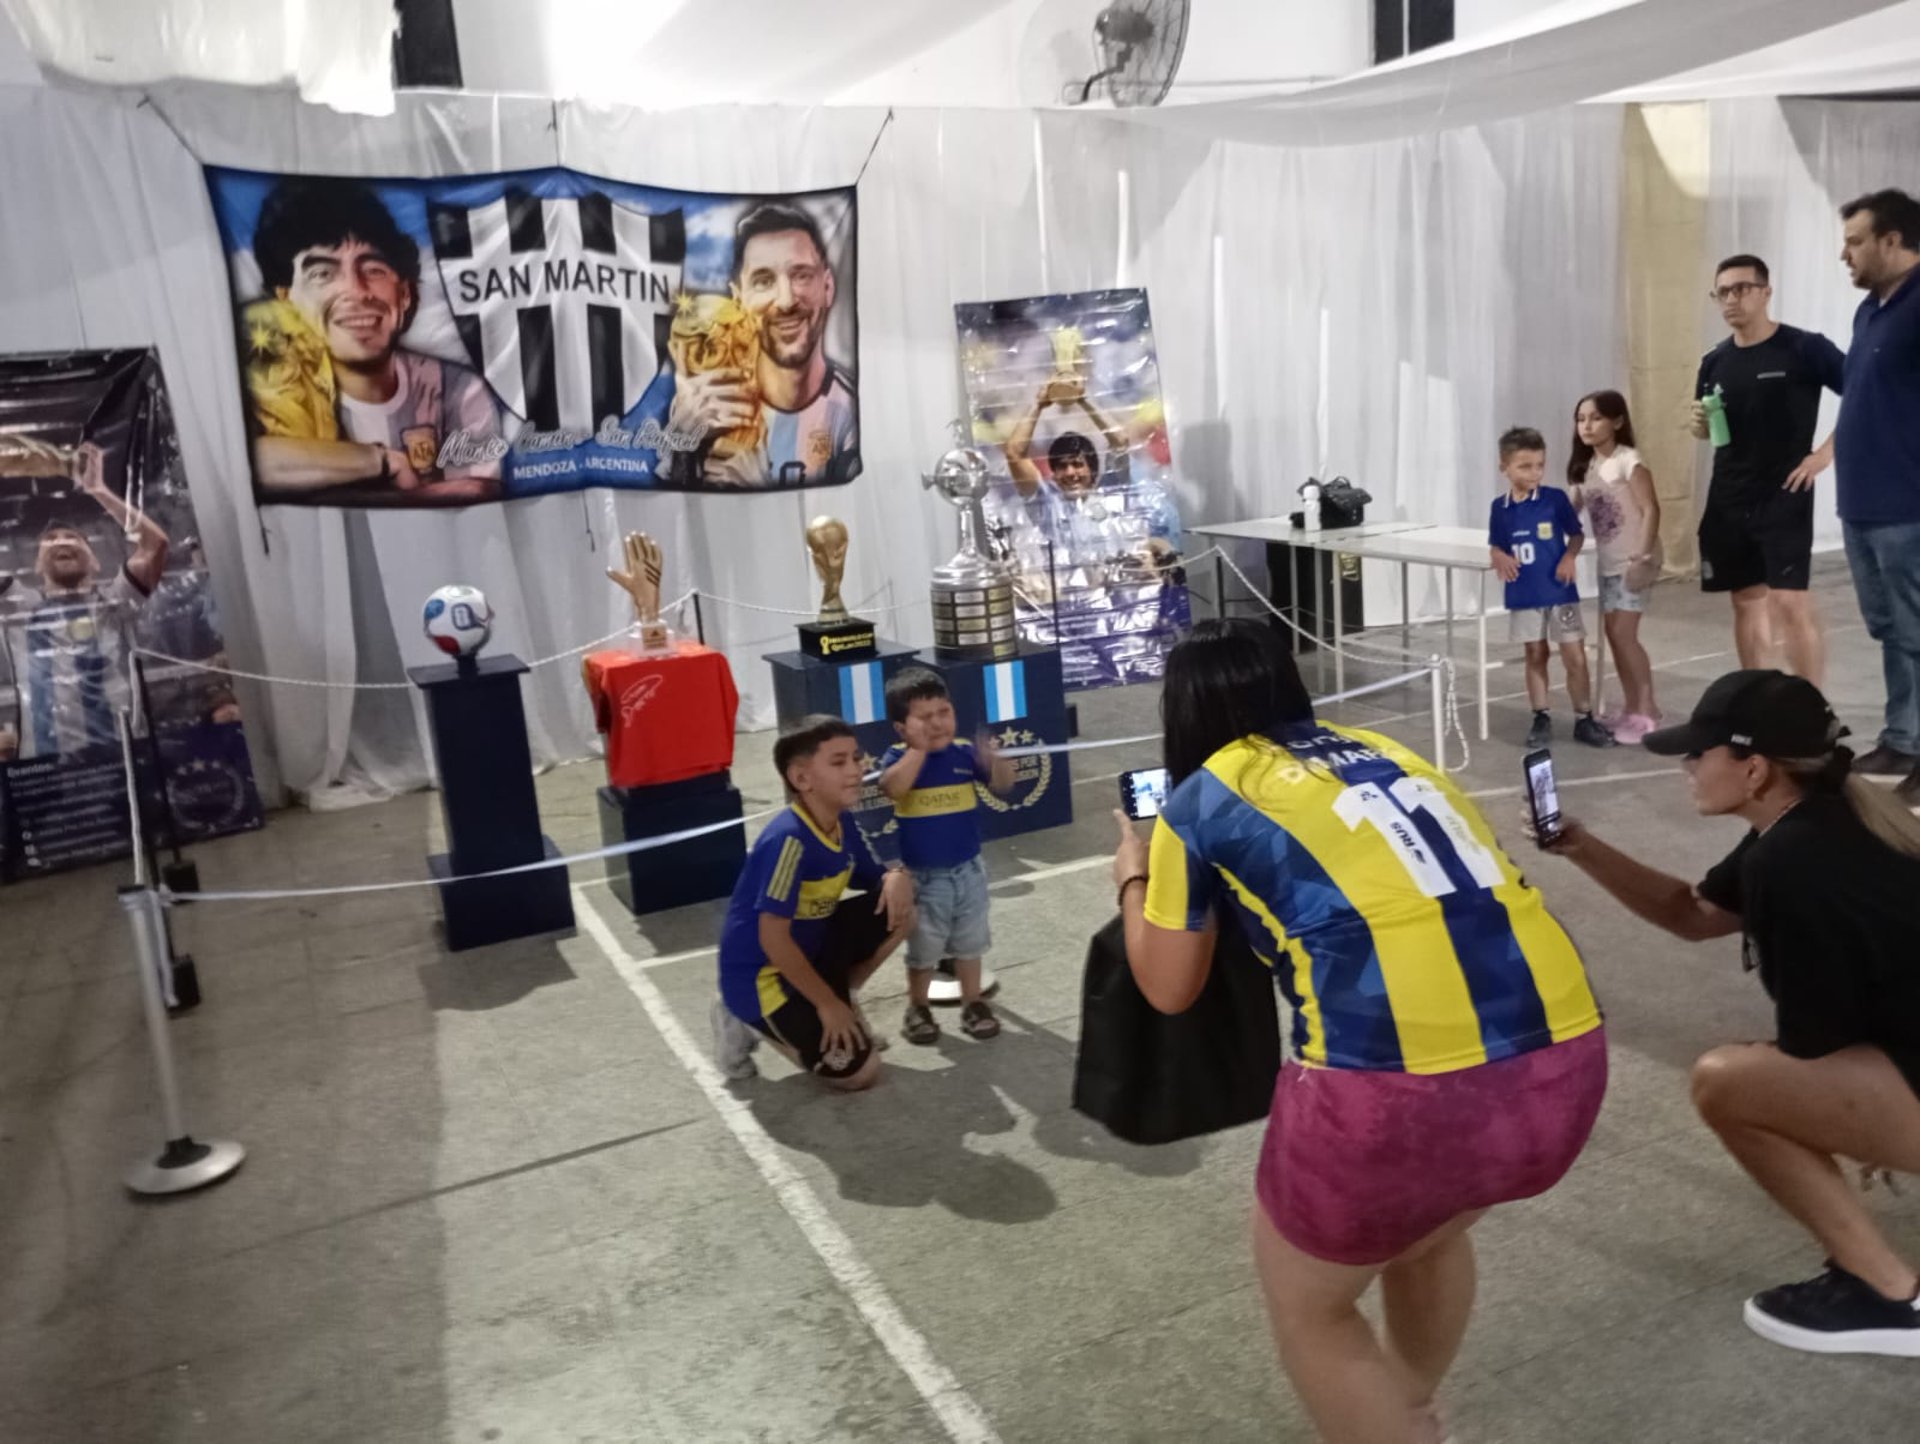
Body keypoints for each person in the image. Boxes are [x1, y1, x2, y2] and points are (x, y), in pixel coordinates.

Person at [1111, 619, 1606, 1444]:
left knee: (1311, 1309)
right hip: (1566, 1056)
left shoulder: (1196, 802)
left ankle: (1387, 1424)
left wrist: (1133, 877)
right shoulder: (1389, 750)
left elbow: (1167, 987)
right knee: (1429, 1235)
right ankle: (1406, 1406)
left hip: (1387, 1093)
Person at [1539, 670, 1920, 1356]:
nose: (1687, 765)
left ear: (1753, 770)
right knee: (1760, 1072)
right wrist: (1583, 846)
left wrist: (1848, 1110)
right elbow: (1695, 914)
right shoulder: (1822, 817)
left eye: (1700, 752)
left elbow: (1816, 1050)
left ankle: (1889, 1297)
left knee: (1729, 1083)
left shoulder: (1796, 862)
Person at [247, 177, 504, 504]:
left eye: (374, 269)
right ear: (285, 301)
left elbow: (477, 492)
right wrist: (383, 463)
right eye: (323, 273)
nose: (356, 291)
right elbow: (252, 464)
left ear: (405, 293)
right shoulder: (277, 395)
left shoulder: (455, 389)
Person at [710, 716, 915, 1090]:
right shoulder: (788, 840)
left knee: (902, 906)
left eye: (855, 758)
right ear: (802, 779)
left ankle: (844, 997)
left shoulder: (842, 820)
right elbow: (773, 939)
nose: (856, 770)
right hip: (764, 977)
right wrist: (826, 1006)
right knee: (859, 1074)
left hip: (813, 948)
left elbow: (876, 877)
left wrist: (896, 874)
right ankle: (740, 1018)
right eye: (838, 763)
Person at [1689, 254, 1845, 685]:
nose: (1731, 300)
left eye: (1741, 289)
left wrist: (1825, 454)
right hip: (1729, 496)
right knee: (1746, 600)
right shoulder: (1714, 360)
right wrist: (1699, 427)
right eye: (1722, 292)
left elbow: (1864, 393)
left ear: (1766, 292)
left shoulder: (1804, 348)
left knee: (1790, 602)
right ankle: (1759, 703)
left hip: (1784, 493)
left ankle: (1813, 712)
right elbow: (1710, 426)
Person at [669, 201, 858, 486]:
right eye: (763, 280)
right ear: (738, 298)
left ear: (828, 287)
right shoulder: (703, 403)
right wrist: (681, 447)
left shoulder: (849, 410)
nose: (785, 301)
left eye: (802, 275)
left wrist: (760, 483)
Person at [1832, 190, 1920, 797]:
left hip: (1909, 505)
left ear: (1892, 241)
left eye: (1856, 240)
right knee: (1891, 629)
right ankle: (1903, 739)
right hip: (1862, 503)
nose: (1845, 253)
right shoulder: (1870, 311)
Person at [0, 442, 168, 760]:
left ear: (96, 562)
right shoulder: (17, 605)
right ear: (36, 566)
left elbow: (155, 545)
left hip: (124, 758)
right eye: (49, 540)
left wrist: (99, 490)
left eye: (73, 538)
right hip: (44, 769)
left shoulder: (115, 601)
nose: (60, 541)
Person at [877, 668, 1016, 1045]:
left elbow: (1004, 784)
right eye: (924, 718)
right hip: (924, 877)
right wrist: (918, 751)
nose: (937, 723)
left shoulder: (963, 754)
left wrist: (995, 760)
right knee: (924, 946)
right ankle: (917, 1008)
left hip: (969, 871)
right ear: (901, 728)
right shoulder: (898, 757)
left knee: (970, 942)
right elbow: (892, 787)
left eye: (944, 712)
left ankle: (973, 1003)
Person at [1487, 426, 1613, 751]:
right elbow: (1497, 545)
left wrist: (1570, 557)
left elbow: (1576, 533)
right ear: (1505, 467)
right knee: (1535, 654)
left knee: (1574, 654)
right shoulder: (1499, 509)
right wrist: (1498, 555)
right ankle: (1540, 715)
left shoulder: (1554, 499)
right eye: (1525, 466)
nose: (1534, 473)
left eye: (1540, 465)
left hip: (1559, 591)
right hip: (1524, 593)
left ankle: (1584, 718)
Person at [1000, 369, 1180, 573]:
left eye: (1077, 464)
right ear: (1054, 474)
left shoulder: (1112, 490)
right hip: (1075, 599)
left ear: (1092, 469)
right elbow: (1014, 454)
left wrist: (1084, 399)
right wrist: (1038, 405)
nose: (1070, 472)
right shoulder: (1048, 507)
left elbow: (1120, 441)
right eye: (1062, 466)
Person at [1568, 391, 1662, 743]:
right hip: (1608, 564)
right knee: (1614, 636)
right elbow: (1570, 512)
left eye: (1595, 418)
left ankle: (1647, 709)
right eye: (1581, 419)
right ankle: (1633, 706)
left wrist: (1642, 557)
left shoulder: (1628, 461)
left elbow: (1651, 508)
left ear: (1617, 421)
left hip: (1634, 561)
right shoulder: (1584, 468)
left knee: (1624, 635)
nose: (1587, 426)